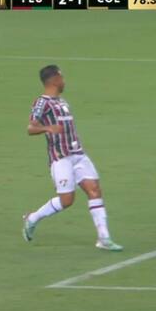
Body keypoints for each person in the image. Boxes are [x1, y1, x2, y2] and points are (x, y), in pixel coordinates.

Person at [23, 65, 123, 251]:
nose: (64, 80)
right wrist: (48, 128)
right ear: (54, 80)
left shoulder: (62, 101)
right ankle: (33, 218)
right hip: (60, 158)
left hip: (78, 155)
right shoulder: (42, 103)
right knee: (67, 200)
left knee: (94, 190)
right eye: (62, 76)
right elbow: (30, 128)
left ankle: (104, 238)